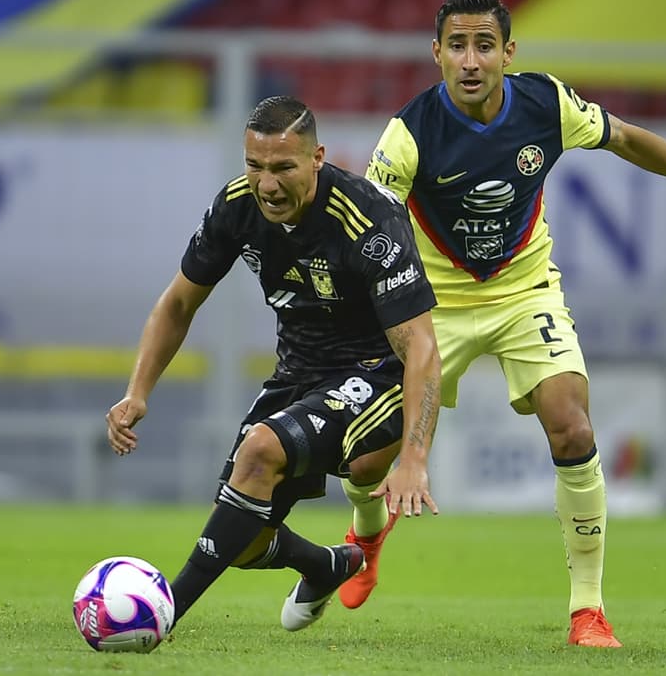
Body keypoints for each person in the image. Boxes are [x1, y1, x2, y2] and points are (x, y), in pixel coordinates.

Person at [359, 0, 666, 647]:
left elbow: (630, 140)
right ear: (436, 53)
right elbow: (372, 237)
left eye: (485, 45)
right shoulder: (406, 136)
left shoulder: (544, 104)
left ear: (509, 52)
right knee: (369, 452)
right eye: (458, 46)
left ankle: (588, 609)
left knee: (572, 423)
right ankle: (364, 539)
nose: (472, 60)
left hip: (525, 293)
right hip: (434, 305)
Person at [104, 95, 442, 630]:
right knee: (242, 538)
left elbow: (420, 347)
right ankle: (327, 564)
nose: (267, 184)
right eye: (255, 166)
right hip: (298, 374)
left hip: (377, 372)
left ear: (317, 158)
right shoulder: (236, 207)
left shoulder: (368, 218)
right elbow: (177, 303)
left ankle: (163, 612)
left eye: (283, 167)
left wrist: (416, 456)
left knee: (263, 450)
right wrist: (137, 390)